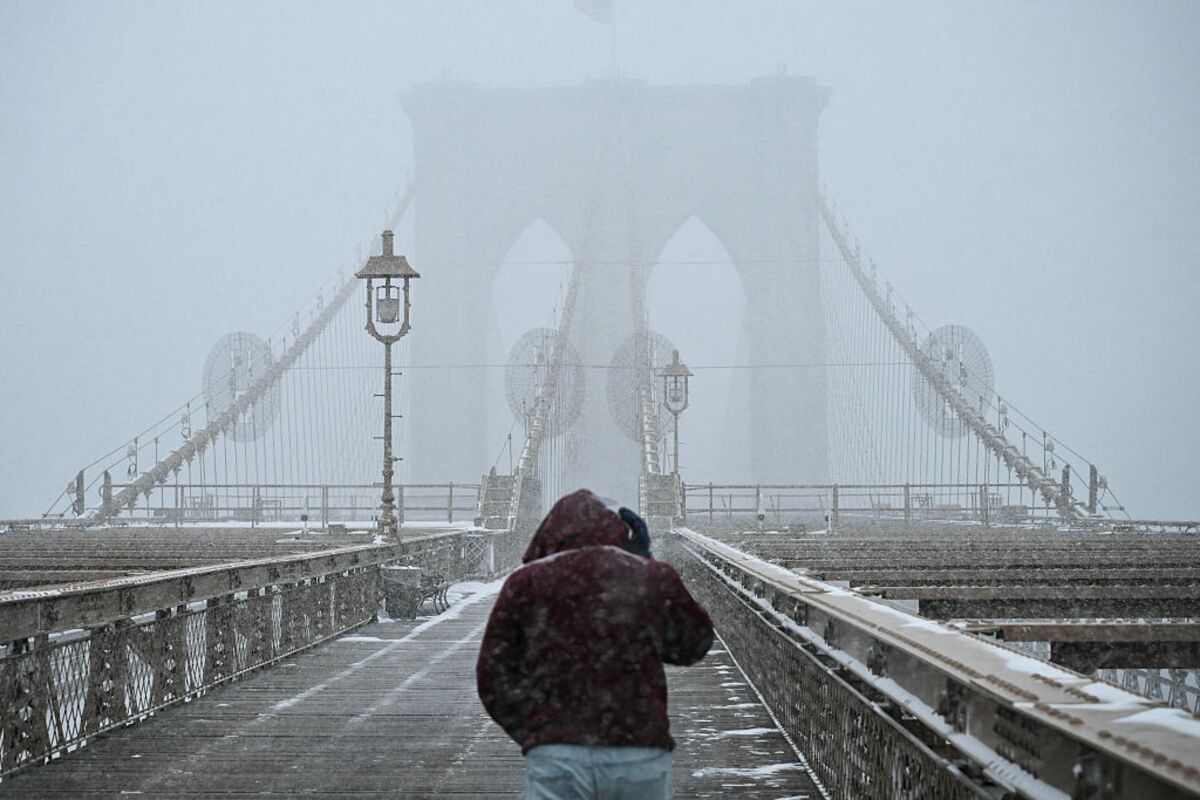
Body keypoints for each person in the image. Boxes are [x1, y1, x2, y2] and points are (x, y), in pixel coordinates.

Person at [476, 489, 713, 800]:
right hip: (638, 747)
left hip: (557, 753)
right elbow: (691, 645)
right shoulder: (648, 576)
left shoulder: (526, 583)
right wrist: (651, 569)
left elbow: (493, 675)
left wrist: (535, 730)